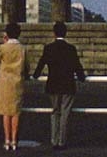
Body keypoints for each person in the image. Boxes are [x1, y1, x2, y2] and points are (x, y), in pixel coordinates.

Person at [33, 21, 86, 150]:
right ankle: (62, 141)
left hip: (53, 84)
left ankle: (54, 140)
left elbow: (41, 63)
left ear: (54, 33)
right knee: (65, 113)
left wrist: (35, 75)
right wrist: (81, 77)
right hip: (68, 85)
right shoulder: (71, 49)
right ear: (65, 33)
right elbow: (77, 66)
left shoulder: (48, 48)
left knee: (55, 112)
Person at [0, 23, 29, 151]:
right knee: (15, 113)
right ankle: (14, 141)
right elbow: (27, 66)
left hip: (4, 82)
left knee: (6, 112)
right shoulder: (22, 49)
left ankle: (7, 140)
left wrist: (5, 42)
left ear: (7, 34)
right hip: (17, 82)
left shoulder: (3, 48)